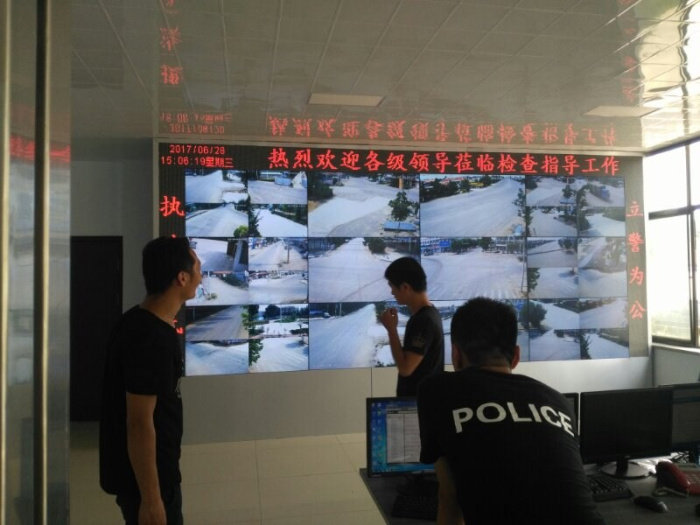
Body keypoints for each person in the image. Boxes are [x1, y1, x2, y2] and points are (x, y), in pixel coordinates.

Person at [417, 297, 604, 524]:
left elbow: (449, 496)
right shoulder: (559, 402)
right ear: (516, 356)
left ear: (455, 354)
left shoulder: (436, 391)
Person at [100, 237, 202, 525]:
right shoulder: (150, 338)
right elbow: (139, 423)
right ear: (182, 278)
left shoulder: (136, 321)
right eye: (198, 268)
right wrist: (152, 500)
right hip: (148, 483)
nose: (201, 276)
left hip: (150, 476)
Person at [380, 256, 444, 396]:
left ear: (405, 287)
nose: (392, 293)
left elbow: (405, 368)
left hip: (418, 404)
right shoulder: (431, 313)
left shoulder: (423, 321)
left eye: (392, 287)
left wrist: (391, 329)